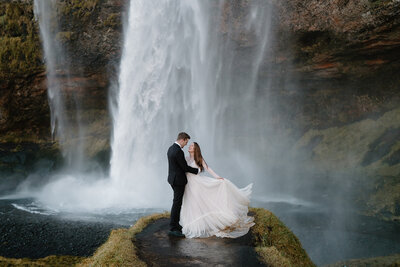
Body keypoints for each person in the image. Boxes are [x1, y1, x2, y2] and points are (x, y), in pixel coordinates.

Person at [180, 142, 254, 238]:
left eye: (192, 146)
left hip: (197, 184)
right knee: (191, 203)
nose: (189, 146)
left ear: (196, 149)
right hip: (188, 184)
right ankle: (195, 225)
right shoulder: (185, 158)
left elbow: (208, 168)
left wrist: (217, 177)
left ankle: (202, 224)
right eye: (189, 145)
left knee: (198, 202)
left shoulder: (199, 158)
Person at [167, 132, 199, 237]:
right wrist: (197, 171)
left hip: (172, 179)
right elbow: (184, 167)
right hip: (178, 181)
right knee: (177, 203)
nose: (186, 144)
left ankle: (175, 224)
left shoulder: (171, 148)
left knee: (177, 202)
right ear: (183, 139)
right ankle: (173, 228)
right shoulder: (178, 152)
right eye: (186, 142)